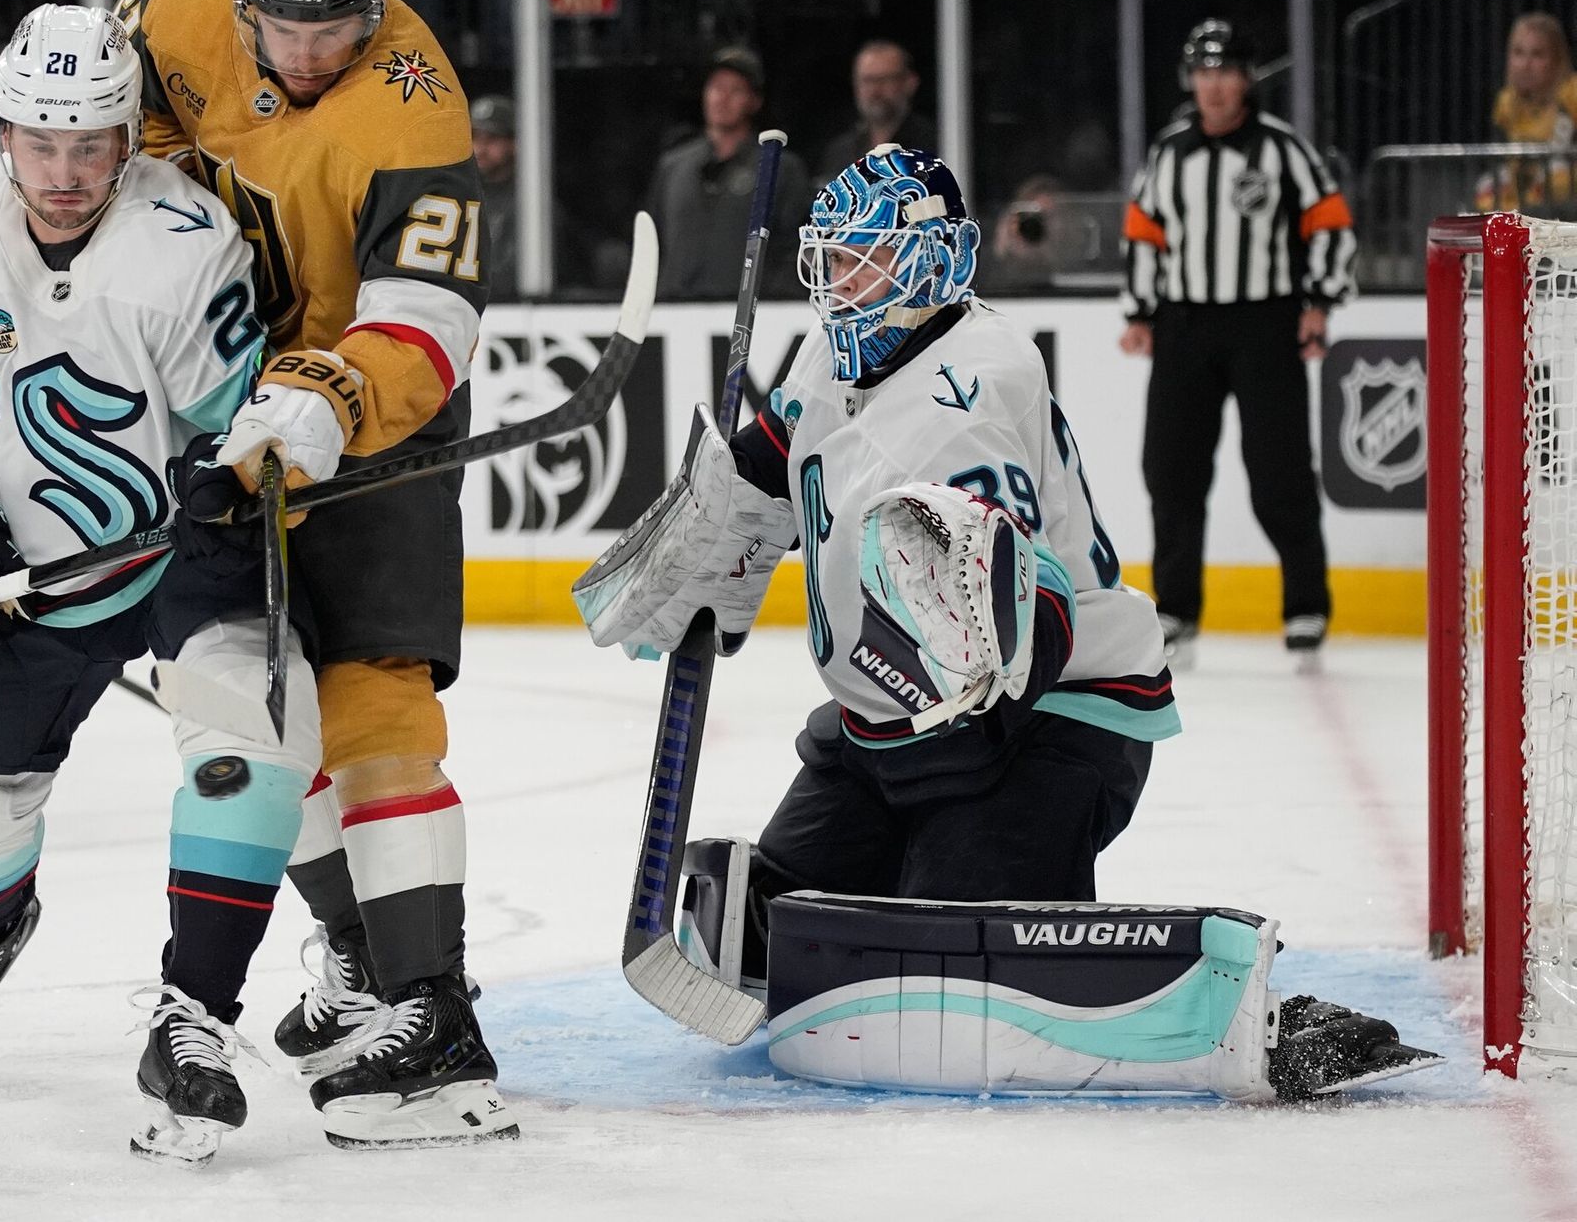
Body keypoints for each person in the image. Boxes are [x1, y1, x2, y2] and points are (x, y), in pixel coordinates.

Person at [575, 143, 1435, 1104]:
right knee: (790, 925)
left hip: (1053, 719)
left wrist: (949, 703)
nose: (842, 281)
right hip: (889, 723)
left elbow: (1033, 628)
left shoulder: (973, 386)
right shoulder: (833, 342)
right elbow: (776, 455)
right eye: (836, 256)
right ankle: (921, 865)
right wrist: (714, 523)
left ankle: (1222, 1015)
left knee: (945, 976)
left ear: (934, 262)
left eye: (868, 258)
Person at [116, 0, 516, 1147]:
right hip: (211, 408)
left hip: (370, 412)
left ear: (372, 2)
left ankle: (435, 1015)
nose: (302, 56)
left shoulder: (414, 98)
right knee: (251, 705)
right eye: (281, 31)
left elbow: (432, 312)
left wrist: (333, 388)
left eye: (330, 30)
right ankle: (357, 960)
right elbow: (67, 128)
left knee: (372, 696)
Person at [0, 3, 324, 1166]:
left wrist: (224, 477)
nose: (66, 172)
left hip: (193, 553)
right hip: (44, 564)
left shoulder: (185, 246)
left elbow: (238, 424)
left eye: (92, 144)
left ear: (130, 138)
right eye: (41, 142)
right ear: (0, 132)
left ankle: (193, 1019)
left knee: (251, 756)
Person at [1118, 19, 1356, 669]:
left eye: (1225, 71)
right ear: (1189, 79)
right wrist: (1140, 312)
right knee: (1171, 470)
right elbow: (1144, 233)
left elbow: (1330, 224)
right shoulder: (1169, 152)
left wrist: (1319, 301)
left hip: (1265, 323)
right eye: (1203, 70)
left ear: (1248, 78)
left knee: (1278, 472)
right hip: (1184, 325)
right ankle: (1177, 609)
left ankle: (1305, 607)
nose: (1214, 85)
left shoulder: (1283, 149)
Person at [645, 45, 811, 299]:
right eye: (716, 87)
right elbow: (652, 244)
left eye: (736, 90)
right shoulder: (673, 166)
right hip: (674, 315)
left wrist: (776, 301)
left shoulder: (780, 167)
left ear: (755, 101)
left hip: (752, 316)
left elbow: (795, 249)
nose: (722, 98)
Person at [469, 92, 590, 299]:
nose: (480, 148)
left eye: (491, 139)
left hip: (509, 310)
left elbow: (515, 280)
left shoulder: (534, 199)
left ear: (516, 143)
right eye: (474, 137)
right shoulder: (460, 192)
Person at [1479, 11, 1577, 214]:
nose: (1525, 64)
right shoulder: (1506, 101)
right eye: (1518, 53)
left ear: (1557, 59)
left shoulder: (1572, 93)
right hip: (1522, 182)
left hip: (1565, 184)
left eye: (1538, 54)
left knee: (1552, 182)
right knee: (1487, 188)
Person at [812, 40, 937, 187]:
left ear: (910, 83)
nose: (875, 90)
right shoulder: (839, 153)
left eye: (885, 79)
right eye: (867, 80)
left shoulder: (935, 144)